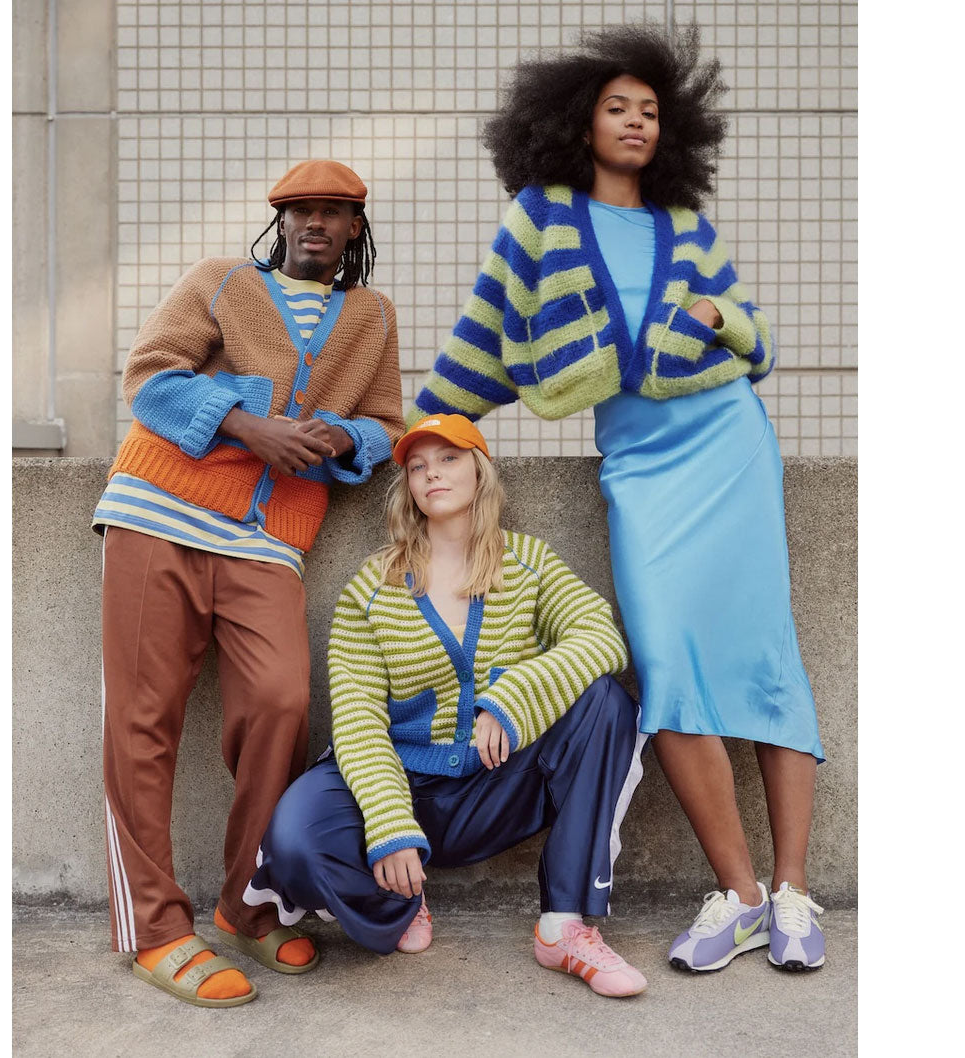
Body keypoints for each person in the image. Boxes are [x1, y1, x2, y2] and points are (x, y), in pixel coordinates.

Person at [408, 24, 827, 973]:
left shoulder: (686, 228)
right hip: (639, 465)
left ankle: (794, 891)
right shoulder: (539, 217)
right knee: (667, 669)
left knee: (764, 653)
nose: (636, 123)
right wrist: (419, 431)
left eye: (651, 111)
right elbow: (483, 332)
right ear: (574, 122)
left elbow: (757, 342)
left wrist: (727, 318)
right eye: (617, 108)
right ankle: (741, 895)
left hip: (728, 446)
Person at [91, 160, 404, 1007]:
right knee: (143, 717)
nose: (315, 222)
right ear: (279, 222)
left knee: (280, 704)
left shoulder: (371, 317)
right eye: (299, 209)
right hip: (158, 513)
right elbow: (151, 378)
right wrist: (248, 426)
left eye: (333, 213)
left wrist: (337, 439)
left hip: (270, 541)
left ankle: (246, 905)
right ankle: (156, 927)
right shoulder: (221, 282)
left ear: (353, 229)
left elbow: (384, 424)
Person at [244, 414, 650, 998]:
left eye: (449, 458)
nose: (432, 473)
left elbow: (600, 638)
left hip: (495, 784)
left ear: (480, 471)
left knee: (605, 702)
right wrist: (387, 824)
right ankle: (401, 899)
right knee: (293, 844)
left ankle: (565, 925)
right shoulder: (371, 587)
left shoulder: (528, 562)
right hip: (402, 782)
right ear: (407, 485)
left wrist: (513, 700)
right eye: (417, 465)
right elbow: (358, 719)